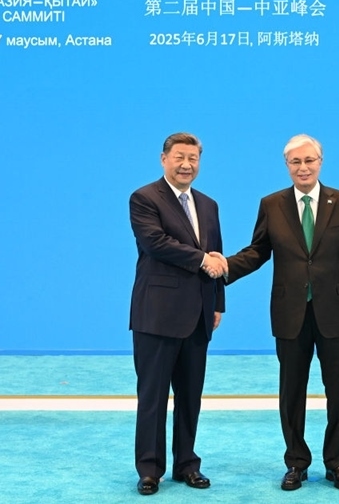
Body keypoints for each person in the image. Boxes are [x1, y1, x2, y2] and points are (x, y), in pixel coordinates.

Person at [217, 134, 339, 492]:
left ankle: (337, 463)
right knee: (291, 391)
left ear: (320, 162)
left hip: (337, 311)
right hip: (290, 313)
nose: (303, 168)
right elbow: (258, 251)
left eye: (309, 160)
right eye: (295, 162)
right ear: (287, 166)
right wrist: (225, 266)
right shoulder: (272, 204)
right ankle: (296, 463)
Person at [129, 132, 227, 496]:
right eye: (179, 157)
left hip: (199, 315)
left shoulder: (209, 204)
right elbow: (155, 243)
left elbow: (217, 255)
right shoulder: (144, 198)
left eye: (193, 158)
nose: (186, 165)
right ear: (164, 159)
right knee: (152, 396)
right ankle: (150, 469)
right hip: (157, 315)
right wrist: (201, 260)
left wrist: (217, 303)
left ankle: (187, 464)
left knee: (190, 396)